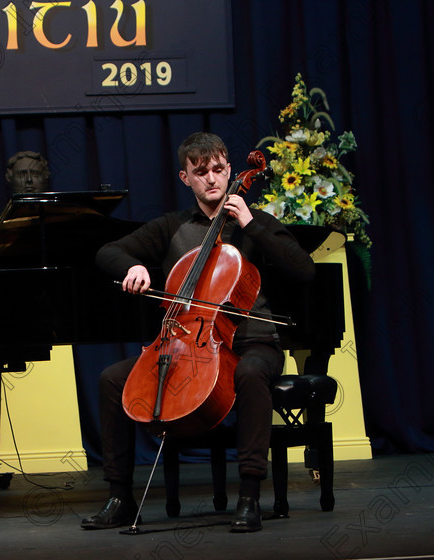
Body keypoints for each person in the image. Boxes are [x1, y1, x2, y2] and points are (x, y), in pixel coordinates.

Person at [81, 132, 315, 533]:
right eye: (201, 171)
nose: (212, 179)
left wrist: (251, 223)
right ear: (185, 177)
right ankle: (119, 497)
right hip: (189, 343)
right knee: (111, 379)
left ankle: (248, 496)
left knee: (249, 373)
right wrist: (131, 268)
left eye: (219, 170)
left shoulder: (253, 222)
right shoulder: (172, 227)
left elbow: (304, 269)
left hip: (253, 342)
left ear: (229, 171)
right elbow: (107, 251)